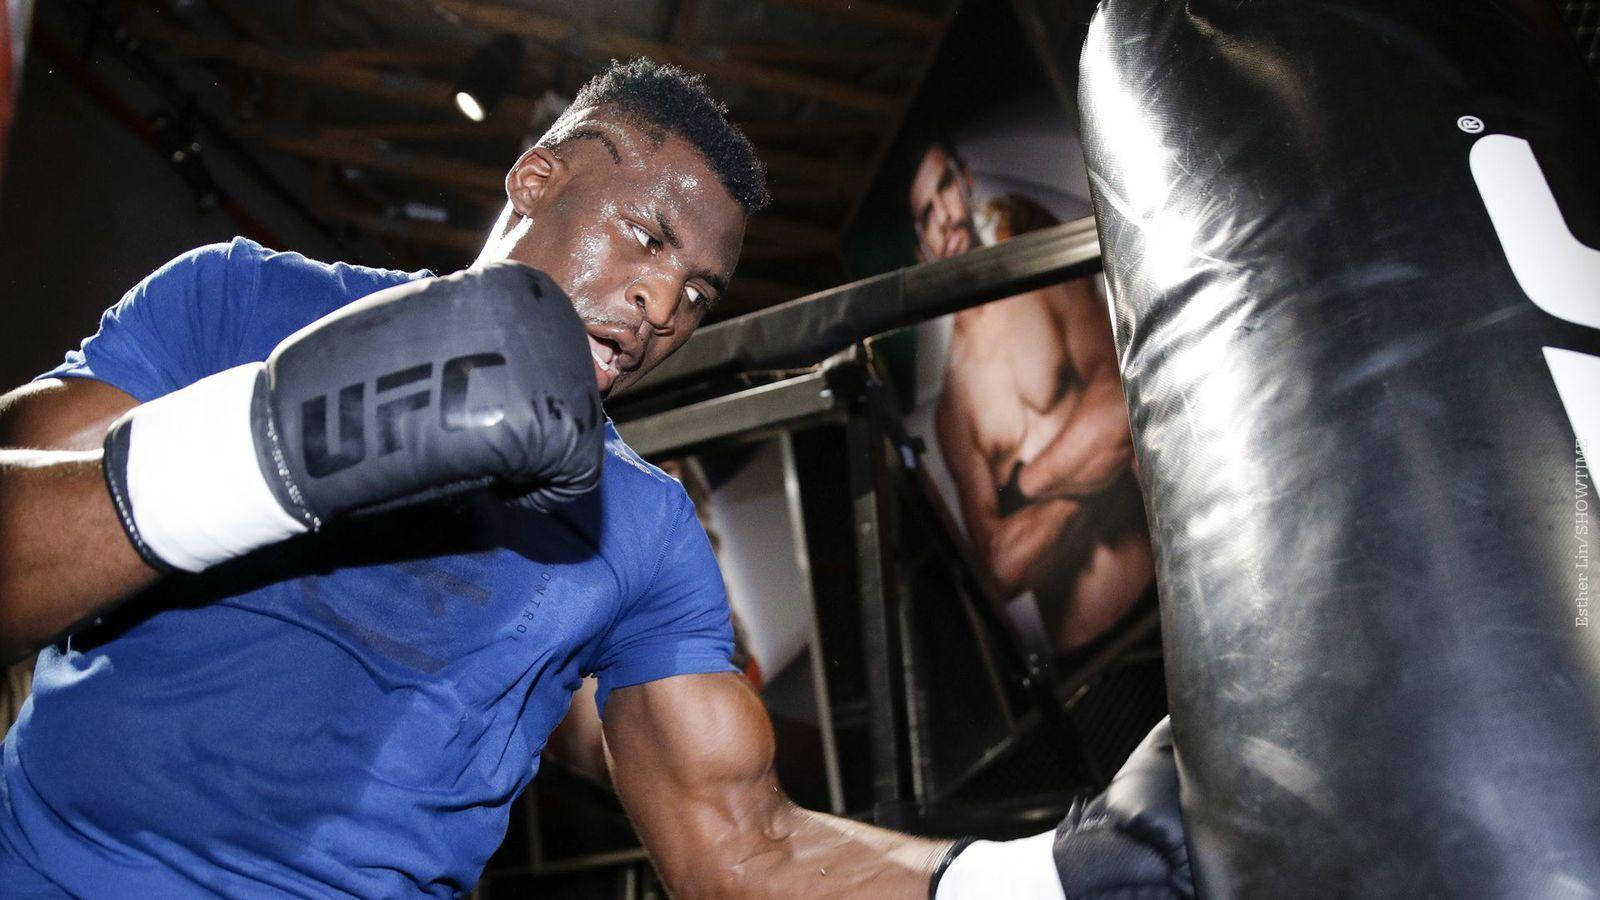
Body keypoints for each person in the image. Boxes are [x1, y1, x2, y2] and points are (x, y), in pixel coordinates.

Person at [0, 59, 1188, 897]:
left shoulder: (645, 529)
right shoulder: (243, 300)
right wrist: (283, 444)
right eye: (649, 239)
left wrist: (1043, 880)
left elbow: (744, 849)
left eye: (701, 294)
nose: (665, 304)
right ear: (534, 182)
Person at [909, 140, 1155, 651]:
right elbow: (1000, 569)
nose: (946, 217)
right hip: (1082, 658)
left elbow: (1119, 416)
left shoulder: (1042, 285)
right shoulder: (954, 409)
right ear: (920, 248)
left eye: (946, 189)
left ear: (966, 180)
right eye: (926, 214)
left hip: (1160, 596)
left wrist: (1019, 490)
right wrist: (1091, 473)